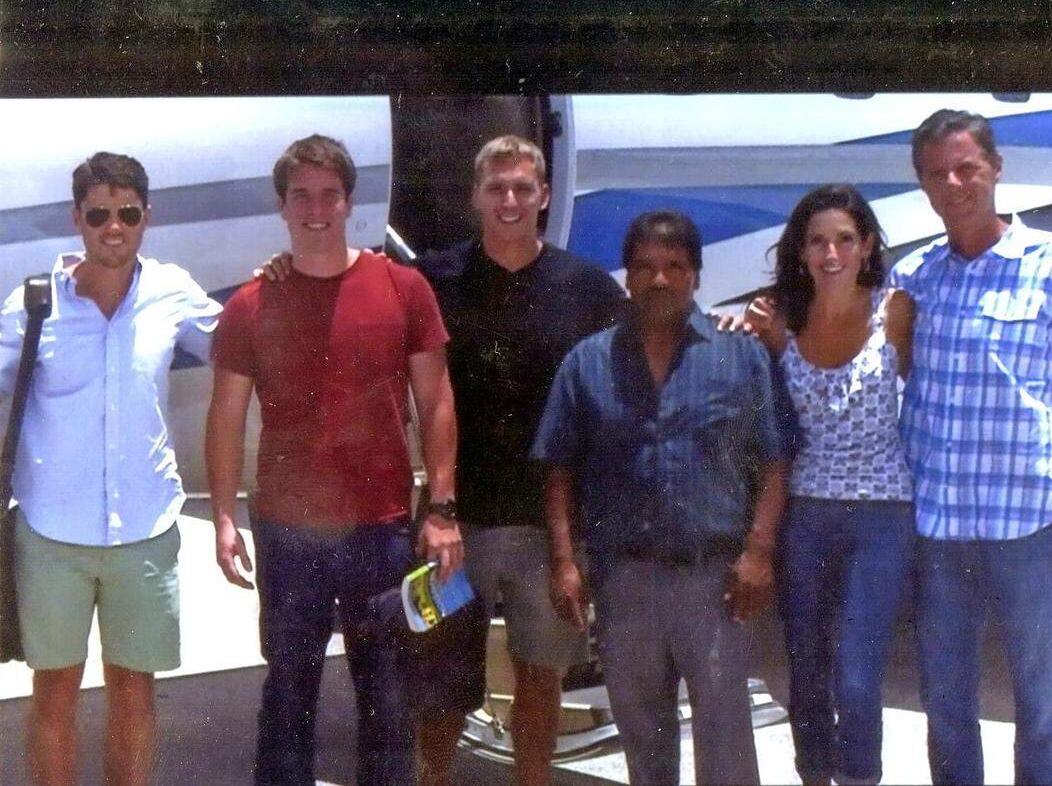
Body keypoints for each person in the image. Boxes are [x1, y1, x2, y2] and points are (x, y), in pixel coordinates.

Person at [260, 134, 626, 786]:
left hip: (551, 528)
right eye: (496, 188)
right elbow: (345, 280)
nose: (509, 200)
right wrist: (284, 268)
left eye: (522, 188)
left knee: (541, 676)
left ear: (543, 196)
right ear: (475, 197)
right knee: (440, 683)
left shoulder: (588, 288)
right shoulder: (429, 280)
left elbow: (638, 361)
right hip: (457, 530)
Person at [206, 134, 461, 785]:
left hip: (379, 531)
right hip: (288, 535)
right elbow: (226, 416)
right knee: (288, 696)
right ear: (284, 206)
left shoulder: (403, 289)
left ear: (350, 201)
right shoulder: (251, 305)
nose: (316, 208)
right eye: (302, 196)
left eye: (329, 195)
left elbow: (435, 402)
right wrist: (228, 519)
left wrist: (441, 509)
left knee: (387, 700)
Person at [893, 109, 1052, 784]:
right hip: (942, 527)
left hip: (1032, 524)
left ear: (995, 168)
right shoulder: (914, 278)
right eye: (938, 174)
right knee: (946, 699)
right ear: (923, 186)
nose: (955, 183)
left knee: (1045, 702)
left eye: (968, 168)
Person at [532, 210, 789, 786]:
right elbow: (560, 469)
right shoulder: (588, 362)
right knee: (643, 742)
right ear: (627, 276)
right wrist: (565, 561)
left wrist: (759, 551)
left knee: (724, 742)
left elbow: (774, 458)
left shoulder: (739, 355)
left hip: (714, 582)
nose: (659, 280)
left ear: (696, 275)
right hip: (624, 584)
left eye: (675, 267)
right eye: (645, 267)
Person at [0, 152, 220, 785]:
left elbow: (242, 341)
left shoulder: (172, 292)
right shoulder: (34, 303)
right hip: (51, 536)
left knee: (133, 692)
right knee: (55, 692)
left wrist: (283, 282)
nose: (113, 227)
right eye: (99, 214)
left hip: (144, 535)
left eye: (127, 213)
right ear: (78, 219)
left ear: (146, 217)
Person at [736, 184, 915, 785]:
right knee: (806, 672)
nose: (831, 252)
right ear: (801, 250)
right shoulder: (781, 319)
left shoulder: (896, 312)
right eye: (817, 241)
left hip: (881, 515)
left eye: (844, 238)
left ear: (866, 245)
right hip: (806, 516)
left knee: (858, 676)